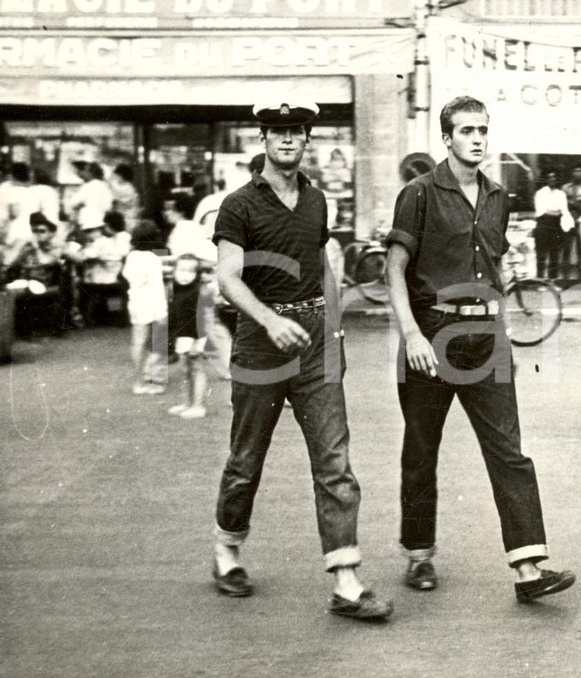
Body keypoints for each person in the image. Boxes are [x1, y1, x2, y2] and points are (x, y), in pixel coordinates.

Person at [385, 95, 575, 603]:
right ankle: (419, 553)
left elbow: (493, 264)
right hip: (432, 334)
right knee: (422, 451)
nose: (477, 138)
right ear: (446, 138)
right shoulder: (419, 194)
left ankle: (528, 567)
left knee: (509, 452)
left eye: (483, 129)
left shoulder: (497, 197)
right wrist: (411, 334)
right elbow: (394, 270)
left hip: (487, 338)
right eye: (466, 130)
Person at [210, 98, 392, 620]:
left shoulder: (317, 202)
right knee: (247, 460)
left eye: (296, 132)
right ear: (262, 139)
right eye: (277, 131)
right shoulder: (238, 205)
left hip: (314, 339)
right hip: (260, 340)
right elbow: (227, 278)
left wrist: (333, 331)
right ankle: (226, 550)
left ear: (307, 140)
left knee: (334, 462)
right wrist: (269, 320)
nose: (287, 139)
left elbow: (322, 267)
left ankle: (347, 582)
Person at [121, 220, 168, 396]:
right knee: (150, 343)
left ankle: (141, 377)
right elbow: (157, 287)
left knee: (139, 342)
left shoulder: (131, 257)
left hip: (135, 302)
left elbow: (126, 275)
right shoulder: (153, 259)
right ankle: (145, 379)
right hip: (151, 304)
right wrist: (162, 312)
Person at [167, 254, 210, 419]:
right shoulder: (177, 289)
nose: (185, 275)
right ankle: (186, 402)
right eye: (181, 270)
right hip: (182, 336)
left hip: (195, 337)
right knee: (184, 370)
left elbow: (203, 319)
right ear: (174, 271)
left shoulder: (197, 292)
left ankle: (199, 406)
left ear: (197, 273)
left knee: (197, 369)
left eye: (191, 271)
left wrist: (198, 343)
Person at [532, 170, 572, 280]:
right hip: (542, 225)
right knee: (541, 254)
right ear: (546, 179)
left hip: (556, 226)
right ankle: (540, 279)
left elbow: (564, 211)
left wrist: (553, 212)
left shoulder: (561, 194)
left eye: (554, 177)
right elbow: (541, 211)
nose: (552, 179)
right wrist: (555, 212)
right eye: (550, 177)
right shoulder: (540, 193)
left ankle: (553, 280)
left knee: (554, 255)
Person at [66, 161, 114, 232]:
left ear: (88, 170)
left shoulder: (88, 186)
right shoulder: (105, 186)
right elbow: (108, 207)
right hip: (101, 222)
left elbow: (72, 203)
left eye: (80, 171)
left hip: (87, 222)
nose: (79, 174)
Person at [561, 165, 581, 280]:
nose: (578, 173)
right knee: (566, 247)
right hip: (568, 221)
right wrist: (574, 204)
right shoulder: (566, 187)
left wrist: (575, 204)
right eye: (575, 170)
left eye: (580, 170)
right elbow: (562, 203)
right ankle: (564, 275)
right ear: (572, 172)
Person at [110, 163, 143, 230]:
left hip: (128, 218)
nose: (115, 177)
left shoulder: (128, 188)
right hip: (122, 217)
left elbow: (122, 202)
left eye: (117, 175)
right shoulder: (120, 186)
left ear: (121, 176)